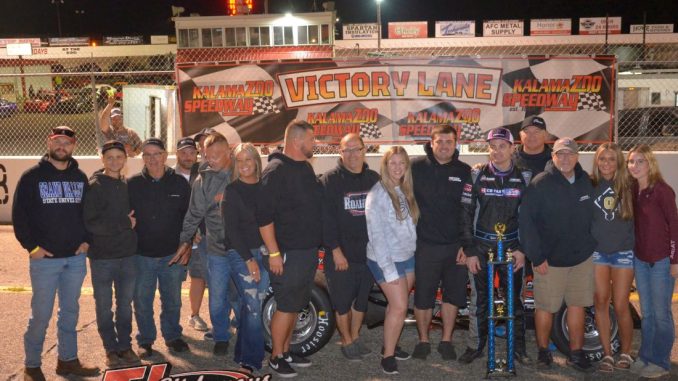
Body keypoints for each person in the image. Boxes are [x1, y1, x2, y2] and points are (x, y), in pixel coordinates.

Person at [12, 126, 100, 381]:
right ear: (49, 143)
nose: (62, 146)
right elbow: (20, 216)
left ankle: (67, 361)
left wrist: (86, 242)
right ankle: (32, 365)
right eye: (57, 141)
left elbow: (88, 214)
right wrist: (33, 248)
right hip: (45, 261)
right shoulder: (31, 177)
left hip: (75, 259)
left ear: (74, 146)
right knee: (41, 314)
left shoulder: (80, 177)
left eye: (67, 142)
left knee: (70, 312)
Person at [519, 137, 596, 373]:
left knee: (577, 306)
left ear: (577, 157)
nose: (565, 159)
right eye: (560, 154)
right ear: (552, 157)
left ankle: (576, 353)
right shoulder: (539, 184)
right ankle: (543, 352)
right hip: (549, 261)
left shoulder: (586, 182)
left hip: (581, 258)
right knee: (546, 308)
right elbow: (526, 223)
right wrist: (537, 257)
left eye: (569, 154)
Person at [459, 127, 532, 365]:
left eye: (502, 146)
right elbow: (465, 214)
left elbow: (530, 217)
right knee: (480, 300)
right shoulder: (476, 175)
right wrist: (470, 251)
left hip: (512, 247)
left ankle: (518, 348)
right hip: (481, 246)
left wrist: (522, 248)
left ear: (513, 148)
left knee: (514, 301)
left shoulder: (525, 177)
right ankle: (476, 344)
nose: (497, 151)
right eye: (492, 146)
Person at [256, 120, 323, 378]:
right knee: (285, 304)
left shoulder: (304, 168)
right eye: (311, 140)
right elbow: (264, 218)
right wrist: (274, 253)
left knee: (296, 303)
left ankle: (285, 351)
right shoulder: (275, 171)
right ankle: (275, 357)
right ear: (297, 141)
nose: (314, 144)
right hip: (286, 254)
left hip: (305, 251)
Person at [170, 132, 235, 357]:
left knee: (243, 297)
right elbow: (193, 214)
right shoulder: (203, 180)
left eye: (218, 155)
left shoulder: (244, 170)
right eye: (208, 156)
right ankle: (221, 336)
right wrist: (184, 241)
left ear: (229, 151)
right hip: (215, 248)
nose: (213, 160)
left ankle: (246, 334)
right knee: (217, 297)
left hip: (245, 249)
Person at [409, 124, 470, 362]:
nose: (444, 146)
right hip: (424, 245)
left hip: (456, 247)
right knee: (423, 296)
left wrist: (467, 245)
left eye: (449, 142)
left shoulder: (465, 171)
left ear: (455, 144)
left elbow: (470, 209)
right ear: (431, 143)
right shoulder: (415, 168)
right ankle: (423, 340)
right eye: (440, 141)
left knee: (452, 296)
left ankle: (446, 340)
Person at [128, 138, 191, 357]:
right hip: (141, 255)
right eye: (147, 155)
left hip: (172, 255)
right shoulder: (132, 184)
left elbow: (188, 219)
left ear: (165, 156)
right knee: (142, 301)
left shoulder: (181, 184)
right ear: (142, 158)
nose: (153, 159)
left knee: (172, 300)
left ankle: (173, 336)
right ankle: (145, 340)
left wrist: (187, 246)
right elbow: (122, 217)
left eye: (157, 154)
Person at [320, 133, 380, 361]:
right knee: (342, 303)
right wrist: (335, 250)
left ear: (365, 150)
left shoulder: (374, 179)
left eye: (357, 149)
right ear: (340, 152)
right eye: (347, 150)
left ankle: (354, 337)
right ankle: (345, 340)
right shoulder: (330, 180)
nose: (353, 154)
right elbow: (325, 220)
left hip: (368, 255)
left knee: (361, 300)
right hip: (340, 256)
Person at [83, 140, 140, 368]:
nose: (115, 161)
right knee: (104, 306)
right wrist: (124, 223)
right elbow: (91, 223)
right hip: (103, 258)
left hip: (127, 256)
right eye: (110, 157)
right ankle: (110, 348)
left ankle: (125, 346)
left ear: (125, 159)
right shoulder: (95, 186)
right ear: (102, 159)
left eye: (119, 157)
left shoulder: (128, 185)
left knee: (125, 305)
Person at [366, 146, 419, 375]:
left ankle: (390, 344)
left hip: (406, 257)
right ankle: (387, 356)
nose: (397, 167)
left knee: (395, 308)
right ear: (385, 166)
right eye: (392, 163)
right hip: (383, 259)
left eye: (402, 163)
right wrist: (388, 271)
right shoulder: (377, 194)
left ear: (406, 166)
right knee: (399, 307)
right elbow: (376, 238)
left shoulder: (404, 190)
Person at [627, 145, 678, 379]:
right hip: (640, 260)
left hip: (661, 262)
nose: (634, 166)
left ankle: (661, 361)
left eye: (640, 161)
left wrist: (674, 260)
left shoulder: (662, 191)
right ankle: (646, 356)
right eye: (631, 162)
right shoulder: (633, 190)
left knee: (661, 314)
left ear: (650, 164)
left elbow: (675, 227)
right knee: (646, 313)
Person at [220, 142, 271, 374]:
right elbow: (231, 231)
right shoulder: (231, 191)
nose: (244, 165)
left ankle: (242, 353)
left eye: (248, 159)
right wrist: (249, 260)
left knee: (251, 306)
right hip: (240, 255)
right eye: (239, 161)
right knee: (252, 306)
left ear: (256, 162)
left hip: (265, 253)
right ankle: (251, 360)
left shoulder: (265, 188)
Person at [589, 143, 635, 372]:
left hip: (624, 253)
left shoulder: (629, 185)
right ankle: (607, 354)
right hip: (598, 253)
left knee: (620, 304)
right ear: (596, 162)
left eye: (611, 159)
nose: (606, 163)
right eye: (602, 159)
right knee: (600, 302)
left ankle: (626, 353)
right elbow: (561, 171)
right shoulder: (589, 184)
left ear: (619, 162)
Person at [174, 137, 209, 332]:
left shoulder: (204, 173)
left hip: (198, 237)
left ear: (197, 153)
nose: (187, 156)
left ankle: (194, 315)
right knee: (173, 281)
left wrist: (197, 229)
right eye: (183, 152)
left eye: (191, 152)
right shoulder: (169, 175)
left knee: (199, 276)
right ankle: (172, 321)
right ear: (176, 153)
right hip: (177, 237)